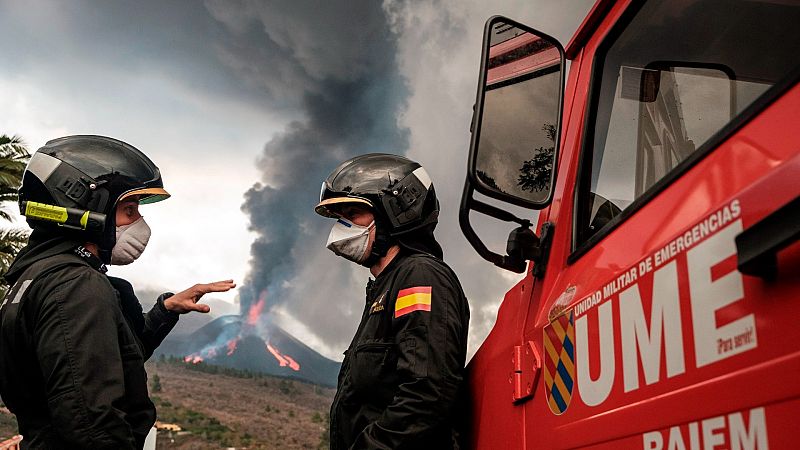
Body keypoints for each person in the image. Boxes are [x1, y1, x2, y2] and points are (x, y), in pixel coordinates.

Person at [0, 135, 234, 449]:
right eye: (129, 209)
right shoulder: (76, 287)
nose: (139, 222)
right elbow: (91, 421)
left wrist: (164, 312)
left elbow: (96, 362)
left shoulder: (34, 277)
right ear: (88, 208)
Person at [315, 153, 470, 449]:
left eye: (353, 214)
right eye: (340, 218)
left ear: (395, 212)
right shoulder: (384, 288)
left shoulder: (420, 276)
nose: (342, 227)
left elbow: (427, 393)